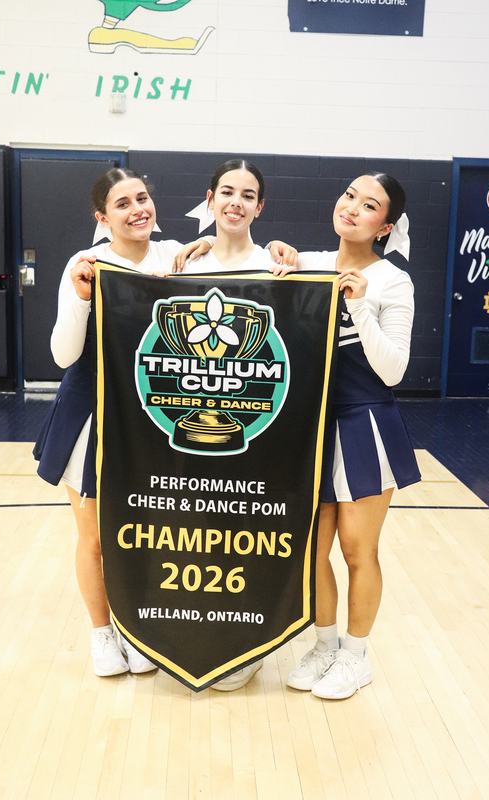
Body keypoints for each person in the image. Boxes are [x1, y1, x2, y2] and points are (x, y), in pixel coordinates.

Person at [33, 167, 214, 677]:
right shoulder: (86, 264)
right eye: (122, 203)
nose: (138, 209)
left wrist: (271, 251)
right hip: (90, 408)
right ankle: (101, 633)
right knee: (93, 536)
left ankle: (136, 628)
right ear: (102, 216)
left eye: (143, 198)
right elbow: (63, 354)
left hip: (148, 414)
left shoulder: (178, 254)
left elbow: (243, 263)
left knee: (143, 533)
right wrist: (83, 298)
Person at [274, 172, 421, 700]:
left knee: (359, 551)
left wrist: (359, 304)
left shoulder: (392, 281)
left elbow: (395, 371)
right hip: (308, 427)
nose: (353, 208)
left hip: (366, 423)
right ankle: (323, 644)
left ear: (385, 226)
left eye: (370, 205)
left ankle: (356, 657)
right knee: (311, 551)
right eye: (349, 196)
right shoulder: (308, 263)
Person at [175, 158, 295, 690]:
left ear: (260, 207)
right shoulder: (183, 263)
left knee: (246, 537)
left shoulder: (279, 267)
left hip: (254, 433)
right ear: (209, 198)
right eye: (227, 192)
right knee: (194, 539)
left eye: (248, 195)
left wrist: (286, 256)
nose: (236, 203)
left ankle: (244, 644)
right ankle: (189, 635)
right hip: (189, 435)